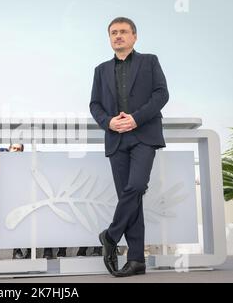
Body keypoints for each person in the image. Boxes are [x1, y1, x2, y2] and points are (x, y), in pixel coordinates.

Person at [89, 17, 169, 277]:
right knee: (131, 199)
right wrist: (109, 122)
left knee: (135, 187)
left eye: (124, 32)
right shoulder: (100, 70)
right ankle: (136, 261)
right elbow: (95, 105)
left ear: (134, 36)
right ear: (109, 38)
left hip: (144, 135)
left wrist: (136, 118)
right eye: (113, 33)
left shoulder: (150, 61)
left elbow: (161, 94)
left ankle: (110, 236)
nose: (118, 36)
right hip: (116, 139)